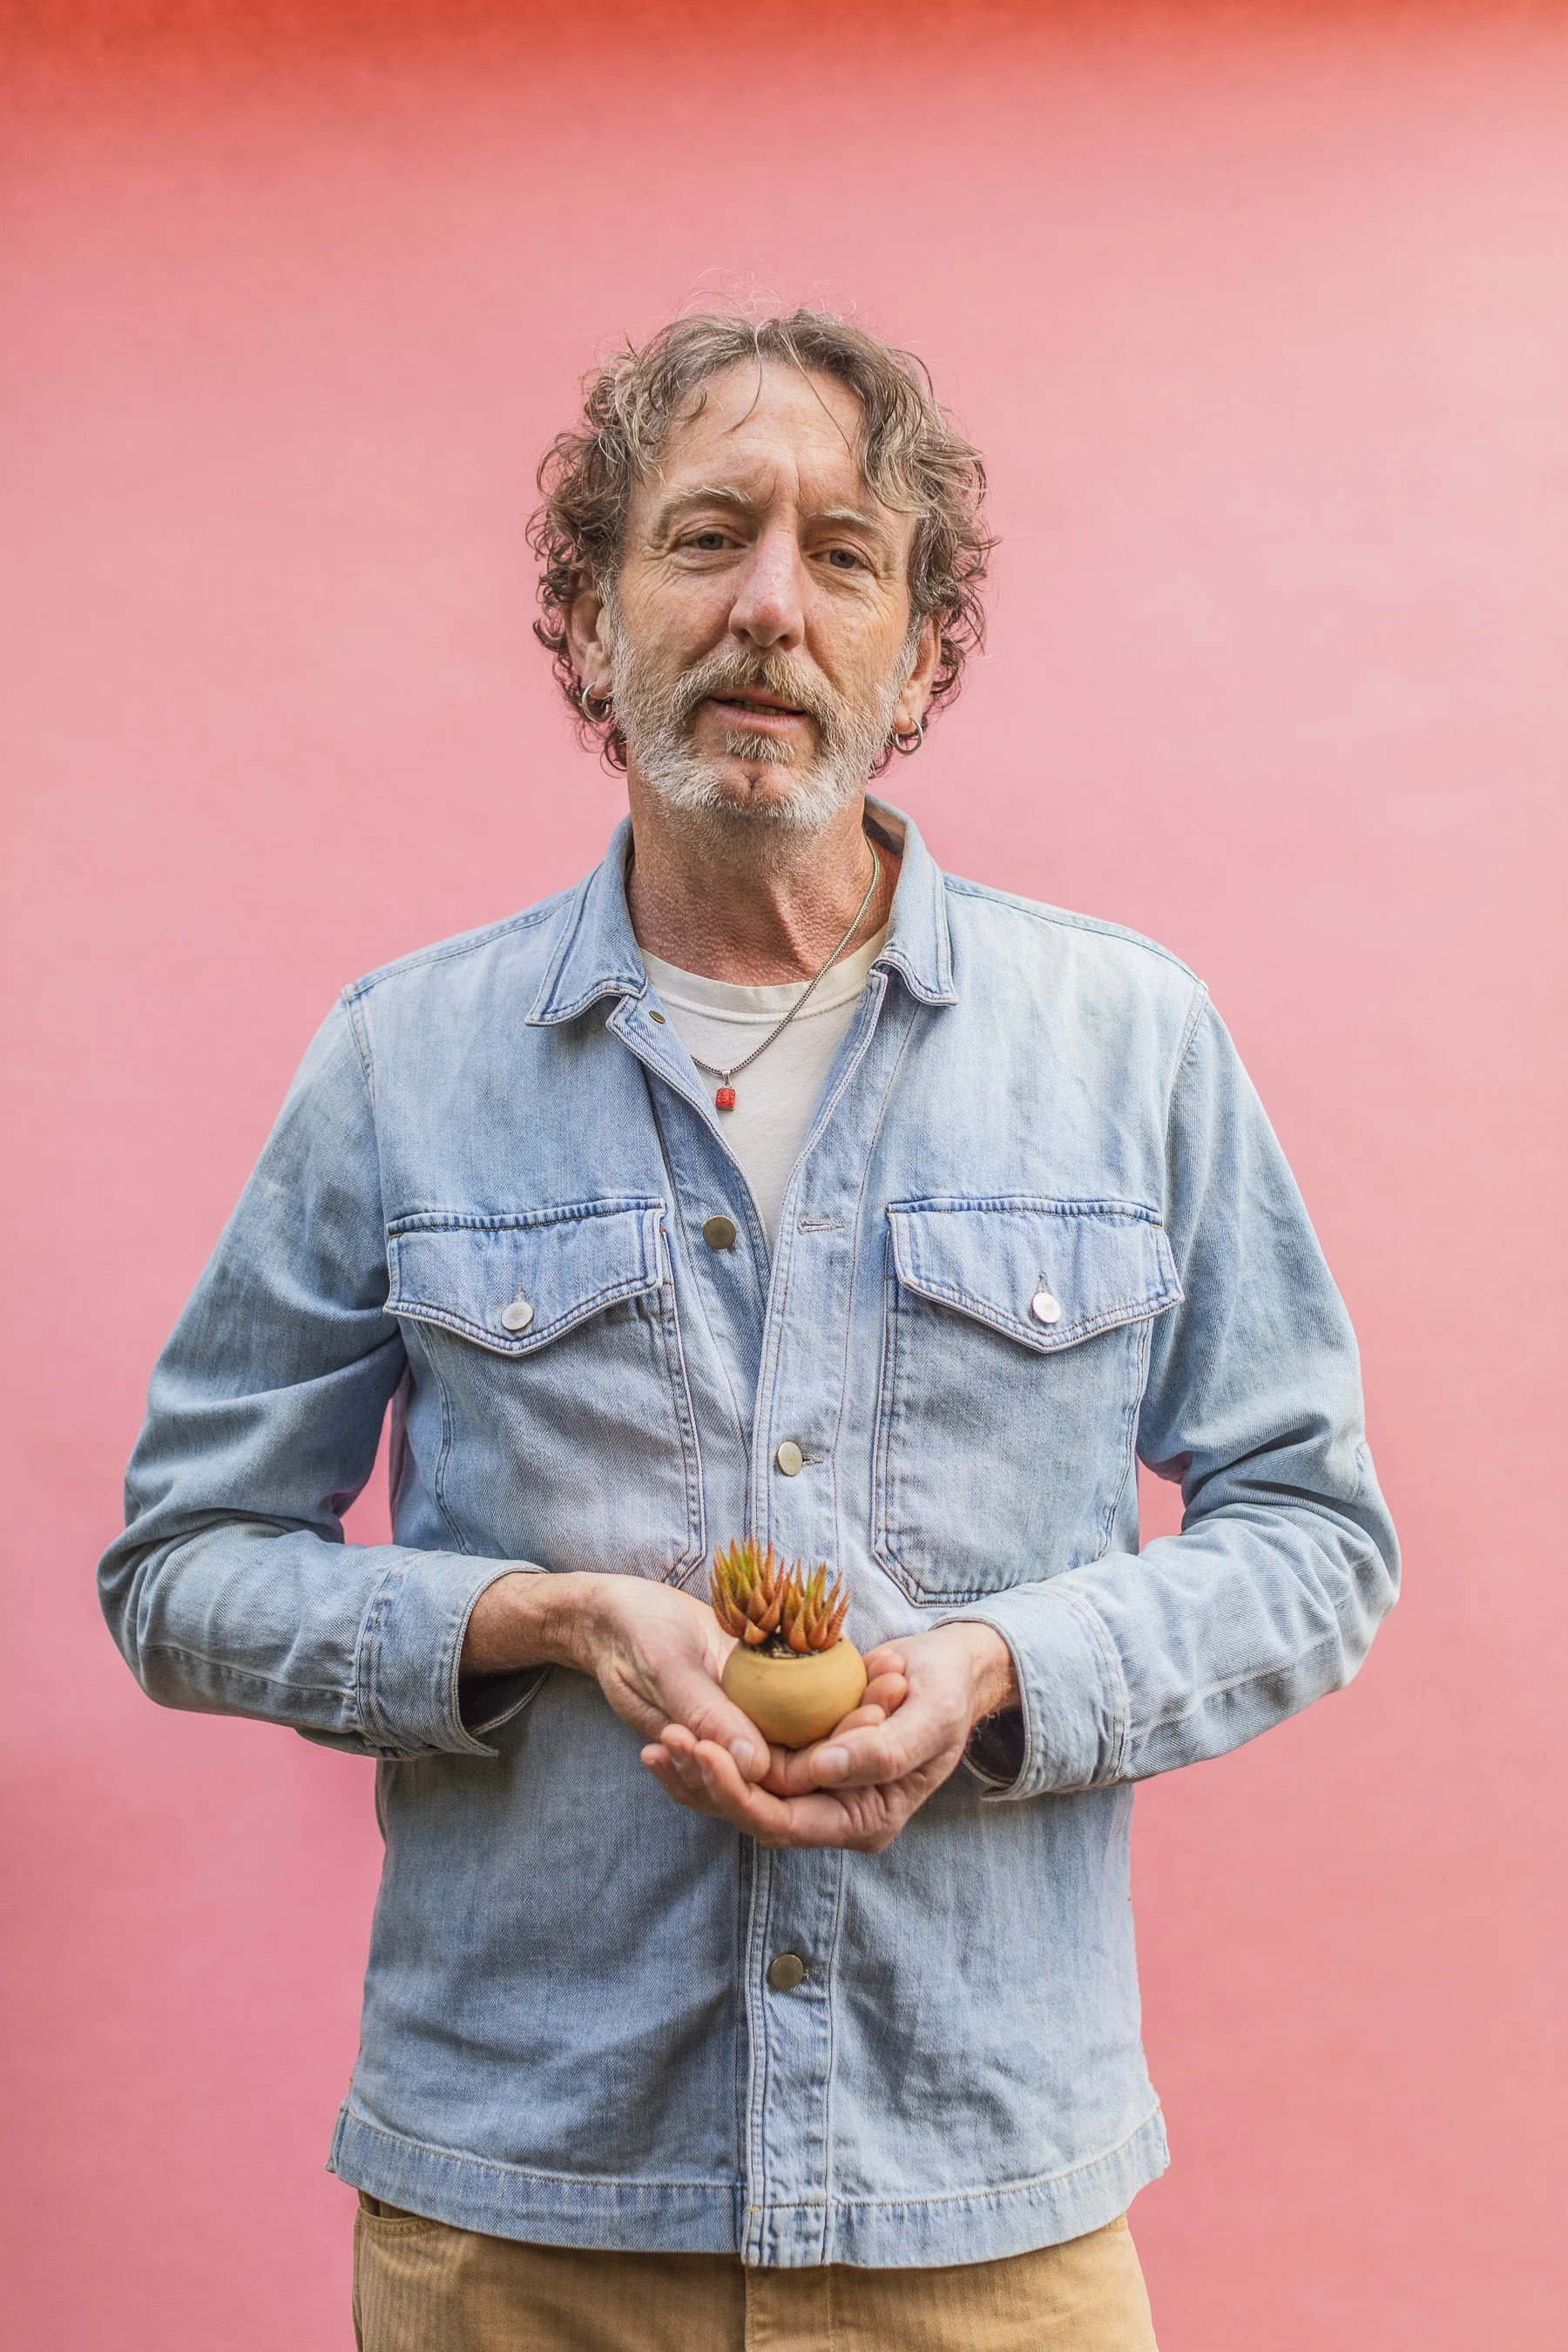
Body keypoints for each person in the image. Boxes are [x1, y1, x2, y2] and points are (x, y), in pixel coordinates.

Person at [100, 308, 1399, 2352]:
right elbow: (176, 1570)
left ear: (920, 642)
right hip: (518, 2222)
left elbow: (1319, 1540)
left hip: (981, 2212)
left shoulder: (1129, 1043)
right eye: (705, 537)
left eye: (845, 554)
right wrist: (542, 1618)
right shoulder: (402, 1062)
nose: (769, 607)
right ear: (595, 608)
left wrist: (994, 1668)